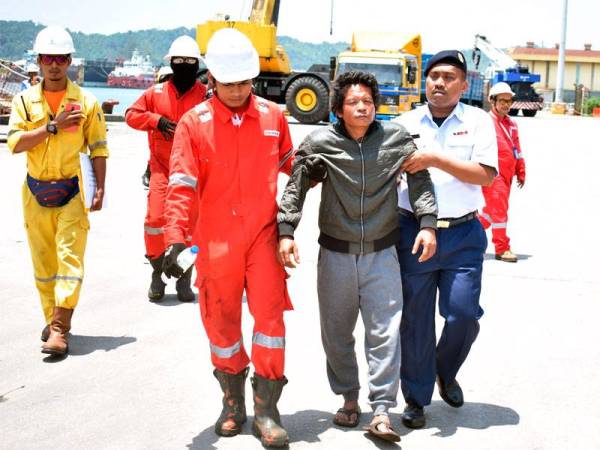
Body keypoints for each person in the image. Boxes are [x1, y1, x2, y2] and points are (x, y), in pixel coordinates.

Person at [278, 71, 438, 442]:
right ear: (338, 107)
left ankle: (382, 410)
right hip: (335, 254)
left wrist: (428, 223)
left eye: (367, 100)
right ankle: (349, 399)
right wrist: (286, 231)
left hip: (383, 254)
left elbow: (421, 181)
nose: (362, 107)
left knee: (385, 333)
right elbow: (294, 185)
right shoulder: (320, 141)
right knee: (336, 334)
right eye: (353, 101)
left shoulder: (396, 139)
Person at [161, 29, 295, 448]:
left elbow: (294, 173)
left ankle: (267, 409)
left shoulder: (274, 116)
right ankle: (233, 402)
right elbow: (180, 184)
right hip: (215, 241)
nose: (237, 91)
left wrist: (289, 225)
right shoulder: (193, 124)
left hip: (262, 237)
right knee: (220, 324)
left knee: (270, 321)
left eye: (243, 82)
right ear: (212, 79)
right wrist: (174, 238)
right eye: (228, 82)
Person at [392, 50, 498, 428]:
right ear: (425, 80)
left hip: (463, 235)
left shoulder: (479, 121)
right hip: (412, 233)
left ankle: (445, 370)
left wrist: (434, 159)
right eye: (434, 75)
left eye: (449, 77)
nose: (439, 82)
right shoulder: (404, 123)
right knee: (416, 320)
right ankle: (416, 398)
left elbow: (485, 175)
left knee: (463, 315)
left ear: (463, 85)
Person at [7, 26, 108, 356]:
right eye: (48, 58)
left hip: (71, 194)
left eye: (61, 58)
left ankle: (60, 328)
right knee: (44, 265)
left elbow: (98, 148)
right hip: (35, 193)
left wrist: (100, 188)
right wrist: (52, 126)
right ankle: (52, 318)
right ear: (38, 61)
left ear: (69, 62)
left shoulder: (87, 102)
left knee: (69, 260)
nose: (54, 65)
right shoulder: (24, 102)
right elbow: (16, 143)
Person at [125, 35, 206, 302]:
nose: (184, 65)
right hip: (161, 170)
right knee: (155, 222)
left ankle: (184, 277)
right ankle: (157, 273)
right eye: (179, 61)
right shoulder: (155, 94)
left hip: (195, 174)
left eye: (189, 61)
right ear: (171, 63)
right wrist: (156, 120)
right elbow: (130, 115)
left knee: (191, 227)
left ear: (198, 65)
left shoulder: (205, 96)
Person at [479, 82, 526, 263]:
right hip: (493, 175)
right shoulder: (485, 123)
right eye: (502, 101)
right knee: (500, 212)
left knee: (490, 213)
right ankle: (502, 248)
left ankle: (465, 234)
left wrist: (521, 169)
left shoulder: (511, 124)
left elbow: (517, 148)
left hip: (507, 176)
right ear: (492, 101)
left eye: (509, 101)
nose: (506, 104)